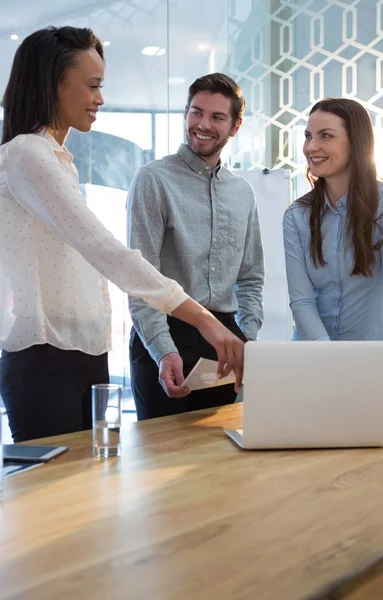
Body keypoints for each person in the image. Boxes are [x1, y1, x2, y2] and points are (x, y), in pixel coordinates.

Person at [0, 27, 245, 443]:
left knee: (91, 494)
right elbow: (105, 250)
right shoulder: (26, 154)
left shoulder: (60, 161)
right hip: (44, 359)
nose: (100, 98)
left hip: (83, 354)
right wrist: (203, 319)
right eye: (92, 86)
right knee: (56, 502)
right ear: (53, 84)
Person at [127, 73, 264, 420]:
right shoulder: (152, 179)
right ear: (185, 113)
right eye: (196, 113)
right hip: (164, 334)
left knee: (217, 458)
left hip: (224, 343)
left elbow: (250, 278)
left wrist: (246, 337)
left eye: (217, 117)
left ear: (235, 126)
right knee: (160, 456)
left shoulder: (243, 192)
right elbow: (141, 282)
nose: (203, 125)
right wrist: (162, 351)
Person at [282, 97, 383, 418]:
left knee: (371, 465)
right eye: (308, 135)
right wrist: (329, 358)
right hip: (311, 362)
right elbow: (301, 300)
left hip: (372, 365)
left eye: (326, 135)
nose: (311, 147)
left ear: (356, 142)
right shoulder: (297, 215)